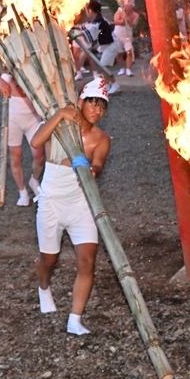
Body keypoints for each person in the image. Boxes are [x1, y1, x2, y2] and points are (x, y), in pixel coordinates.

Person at [31, 78, 112, 335]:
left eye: (102, 107)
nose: (97, 111)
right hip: (52, 199)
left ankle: (75, 319)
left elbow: (98, 164)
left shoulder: (101, 138)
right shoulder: (63, 124)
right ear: (81, 102)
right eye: (93, 104)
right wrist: (59, 115)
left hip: (81, 202)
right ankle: (43, 287)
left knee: (87, 261)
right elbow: (36, 142)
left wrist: (93, 170)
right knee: (49, 259)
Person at [0, 71, 45, 206]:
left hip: (33, 118)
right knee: (16, 157)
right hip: (13, 118)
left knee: (40, 156)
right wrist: (1, 82)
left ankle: (34, 180)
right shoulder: (8, 65)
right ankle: (22, 191)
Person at [74, 0, 121, 96]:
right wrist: (75, 27)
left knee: (103, 66)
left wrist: (79, 34)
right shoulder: (98, 19)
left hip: (111, 45)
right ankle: (107, 86)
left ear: (90, 10)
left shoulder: (99, 20)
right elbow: (89, 27)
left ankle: (115, 85)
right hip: (109, 45)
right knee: (104, 67)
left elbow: (92, 30)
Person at [113, 0, 140, 77]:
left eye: (130, 6)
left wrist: (127, 20)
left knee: (129, 52)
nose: (128, 7)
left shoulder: (135, 15)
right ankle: (122, 69)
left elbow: (134, 25)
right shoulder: (120, 11)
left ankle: (129, 69)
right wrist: (123, 20)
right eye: (127, 6)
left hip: (127, 35)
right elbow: (115, 21)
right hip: (118, 34)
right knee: (119, 54)